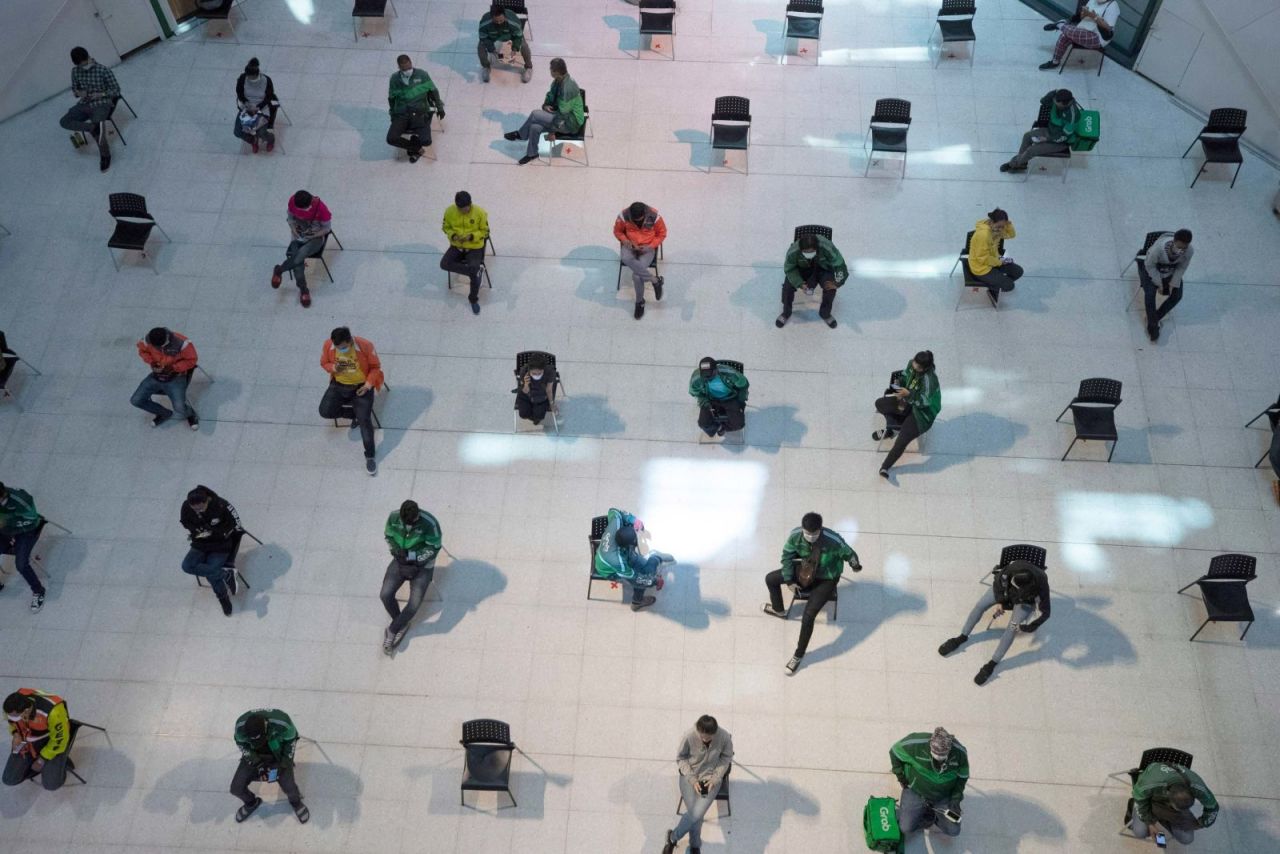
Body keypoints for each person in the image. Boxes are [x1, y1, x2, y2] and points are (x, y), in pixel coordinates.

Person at [761, 512, 861, 674]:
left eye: (814, 534)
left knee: (808, 616)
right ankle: (779, 610)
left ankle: (798, 655)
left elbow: (850, 554)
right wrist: (789, 580)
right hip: (805, 570)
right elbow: (787, 556)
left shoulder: (833, 540)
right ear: (802, 529)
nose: (810, 536)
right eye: (807, 533)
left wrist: (855, 565)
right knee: (770, 579)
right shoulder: (795, 536)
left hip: (826, 578)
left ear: (820, 530)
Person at [938, 559, 1051, 685]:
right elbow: (998, 582)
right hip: (1005, 591)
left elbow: (1045, 613)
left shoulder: (1042, 586)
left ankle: (993, 662)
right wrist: (1000, 601)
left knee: (1012, 628)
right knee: (980, 605)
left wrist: (1026, 627)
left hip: (1024, 602)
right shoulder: (1013, 568)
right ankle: (962, 636)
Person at [663, 715, 734, 854]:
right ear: (698, 730)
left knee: (696, 813)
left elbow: (726, 758)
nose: (705, 740)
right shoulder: (689, 735)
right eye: (703, 737)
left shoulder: (724, 736)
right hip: (689, 777)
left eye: (709, 738)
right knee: (696, 815)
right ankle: (695, 846)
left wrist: (715, 778)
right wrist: (692, 779)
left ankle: (673, 837)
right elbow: (681, 758)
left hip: (711, 780)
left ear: (715, 732)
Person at [318, 327, 384, 475]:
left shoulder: (365, 345)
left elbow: (376, 368)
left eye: (342, 348)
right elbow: (324, 363)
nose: (339, 350)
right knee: (325, 411)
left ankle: (370, 456)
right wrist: (333, 367)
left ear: (350, 341)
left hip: (361, 386)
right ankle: (354, 414)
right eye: (337, 347)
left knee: (366, 423)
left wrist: (367, 386)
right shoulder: (329, 345)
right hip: (339, 385)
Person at [381, 500, 442, 654]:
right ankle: (401, 623)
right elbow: (388, 536)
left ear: (418, 515)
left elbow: (434, 548)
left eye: (412, 521)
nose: (409, 525)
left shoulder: (430, 524)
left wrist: (412, 556)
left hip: (422, 564)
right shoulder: (394, 517)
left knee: (414, 604)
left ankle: (392, 630)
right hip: (401, 560)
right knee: (385, 594)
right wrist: (397, 552)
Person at [231, 709, 308, 824]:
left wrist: (284, 765)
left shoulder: (283, 723)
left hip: (278, 754)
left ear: (266, 726)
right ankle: (251, 802)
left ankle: (295, 802)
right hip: (254, 755)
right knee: (236, 788)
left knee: (289, 785)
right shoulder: (240, 729)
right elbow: (243, 746)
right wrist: (258, 764)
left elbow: (291, 743)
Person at [503, 57, 584, 165]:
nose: (549, 71)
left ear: (556, 72)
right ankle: (532, 154)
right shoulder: (558, 81)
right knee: (534, 127)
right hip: (561, 114)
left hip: (571, 122)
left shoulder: (567, 88)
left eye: (551, 69)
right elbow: (550, 95)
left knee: (535, 114)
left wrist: (553, 131)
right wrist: (545, 105)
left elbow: (563, 115)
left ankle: (521, 135)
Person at [890, 727, 968, 838]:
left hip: (943, 795)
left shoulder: (960, 753)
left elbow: (962, 778)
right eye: (936, 753)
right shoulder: (914, 744)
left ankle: (933, 816)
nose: (939, 757)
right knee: (906, 828)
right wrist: (900, 776)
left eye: (943, 755)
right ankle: (922, 815)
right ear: (930, 744)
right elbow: (894, 751)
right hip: (916, 790)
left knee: (953, 830)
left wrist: (956, 800)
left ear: (949, 749)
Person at [593, 508, 675, 612]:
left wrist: (633, 520)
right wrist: (654, 581)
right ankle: (637, 602)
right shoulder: (618, 561)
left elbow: (613, 510)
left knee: (642, 568)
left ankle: (654, 559)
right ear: (625, 546)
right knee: (644, 577)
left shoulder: (616, 522)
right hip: (611, 571)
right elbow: (636, 578)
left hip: (607, 554)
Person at [180, 486, 243, 617]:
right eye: (195, 509)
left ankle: (222, 597)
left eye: (201, 508)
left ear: (207, 500)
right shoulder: (186, 506)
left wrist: (217, 532)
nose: (198, 510)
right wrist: (196, 530)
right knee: (186, 566)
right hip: (200, 543)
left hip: (220, 544)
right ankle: (226, 575)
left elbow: (236, 524)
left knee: (210, 573)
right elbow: (185, 521)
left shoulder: (221, 505)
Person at [59, 47, 119, 172]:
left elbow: (116, 90)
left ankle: (105, 155)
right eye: (79, 65)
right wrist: (78, 93)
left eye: (84, 63)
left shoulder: (103, 70)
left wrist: (101, 94)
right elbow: (75, 89)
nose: (83, 66)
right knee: (64, 121)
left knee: (98, 126)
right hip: (85, 102)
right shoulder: (75, 71)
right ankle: (92, 128)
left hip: (102, 103)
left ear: (88, 58)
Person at [1129, 760, 1218, 845]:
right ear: (1168, 795)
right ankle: (1150, 816)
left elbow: (1213, 807)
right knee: (1140, 832)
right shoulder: (1150, 784)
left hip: (1169, 808)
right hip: (1150, 801)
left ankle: (1163, 820)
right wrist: (1150, 823)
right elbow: (1139, 798)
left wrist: (1202, 823)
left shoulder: (1197, 786)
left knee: (1187, 838)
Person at [271, 190, 332, 308]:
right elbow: (290, 219)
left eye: (305, 209)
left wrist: (312, 235)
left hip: (315, 239)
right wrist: (293, 229)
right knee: (298, 266)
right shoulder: (293, 202)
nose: (303, 212)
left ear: (311, 201)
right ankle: (303, 289)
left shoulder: (322, 209)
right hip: (297, 238)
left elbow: (327, 229)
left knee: (301, 254)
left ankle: (280, 269)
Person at [130, 327, 199, 429]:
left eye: (161, 346)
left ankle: (190, 414)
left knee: (179, 408)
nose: (158, 349)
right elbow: (142, 351)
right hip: (156, 376)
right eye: (155, 347)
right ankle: (164, 413)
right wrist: (152, 361)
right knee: (136, 400)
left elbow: (192, 360)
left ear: (167, 339)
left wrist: (173, 368)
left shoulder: (182, 343)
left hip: (177, 376)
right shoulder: (147, 340)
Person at [3, 689, 71, 790]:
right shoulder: (12, 707)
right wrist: (16, 734)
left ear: (26, 711)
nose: (11, 718)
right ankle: (37, 762)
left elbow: (59, 740)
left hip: (53, 742)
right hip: (27, 739)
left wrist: (42, 759)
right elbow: (12, 723)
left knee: (51, 785)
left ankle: (59, 763)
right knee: (9, 779)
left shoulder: (53, 712)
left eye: (16, 717)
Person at [777, 232, 847, 329]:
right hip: (802, 268)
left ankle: (825, 314)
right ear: (801, 249)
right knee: (787, 287)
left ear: (817, 248)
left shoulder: (827, 247)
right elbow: (790, 269)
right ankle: (786, 313)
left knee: (830, 289)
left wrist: (837, 282)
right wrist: (799, 283)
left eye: (812, 251)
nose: (809, 254)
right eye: (805, 251)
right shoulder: (793, 252)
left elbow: (840, 264)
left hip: (823, 268)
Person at [1000, 89, 1080, 174]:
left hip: (1060, 142)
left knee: (1032, 150)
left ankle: (1013, 164)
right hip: (1051, 131)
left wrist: (1046, 139)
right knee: (1027, 136)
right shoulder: (1057, 100)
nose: (1054, 103)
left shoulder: (1072, 117)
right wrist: (1053, 93)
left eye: (1057, 103)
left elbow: (1064, 137)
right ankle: (1021, 163)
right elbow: (1043, 101)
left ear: (1065, 104)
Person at [613, 201, 667, 319]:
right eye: (634, 220)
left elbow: (662, 234)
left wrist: (650, 246)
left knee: (637, 276)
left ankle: (639, 302)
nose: (637, 222)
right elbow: (617, 231)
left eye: (639, 220)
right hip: (630, 246)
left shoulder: (655, 217)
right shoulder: (623, 216)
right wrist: (625, 240)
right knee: (625, 257)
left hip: (647, 248)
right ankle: (655, 281)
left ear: (645, 214)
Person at [440, 191, 490, 315]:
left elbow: (486, 232)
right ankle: (475, 272)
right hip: (457, 245)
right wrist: (454, 235)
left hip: (474, 247)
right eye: (460, 209)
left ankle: (473, 299)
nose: (463, 211)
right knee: (444, 264)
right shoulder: (449, 211)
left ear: (470, 204)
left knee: (473, 267)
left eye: (466, 208)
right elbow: (445, 227)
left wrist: (472, 236)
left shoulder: (480, 213)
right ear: (456, 206)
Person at [387, 54, 444, 163]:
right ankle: (416, 149)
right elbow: (391, 98)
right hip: (401, 114)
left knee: (426, 141)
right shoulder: (394, 79)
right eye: (404, 69)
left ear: (411, 63)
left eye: (409, 67)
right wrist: (392, 113)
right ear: (399, 67)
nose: (408, 70)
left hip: (419, 113)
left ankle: (413, 147)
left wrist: (439, 107)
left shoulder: (422, 75)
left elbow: (434, 91)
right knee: (391, 138)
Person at [1139, 229, 1193, 342]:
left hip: (1170, 272)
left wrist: (1173, 283)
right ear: (1174, 241)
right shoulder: (1158, 249)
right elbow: (1150, 266)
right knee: (1150, 294)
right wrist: (1160, 285)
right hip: (1150, 270)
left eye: (1184, 248)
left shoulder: (1189, 251)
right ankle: (1153, 327)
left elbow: (1181, 267)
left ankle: (1154, 318)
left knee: (1177, 295)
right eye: (1179, 247)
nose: (1181, 251)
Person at [0, 482, 46, 612]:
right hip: (5, 529)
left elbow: (31, 520)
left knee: (21, 564)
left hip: (27, 530)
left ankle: (38, 590)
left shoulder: (21, 500)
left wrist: (7, 524)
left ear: (3, 495)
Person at [1039, 0, 1120, 71]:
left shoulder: (1113, 6)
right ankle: (1055, 62)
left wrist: (1094, 17)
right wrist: (1084, 13)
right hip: (1084, 28)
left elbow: (1108, 28)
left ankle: (1060, 25)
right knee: (1064, 36)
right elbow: (1082, 17)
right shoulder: (1093, 0)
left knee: (1069, 32)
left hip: (1098, 37)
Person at [965, 208, 1021, 306]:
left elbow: (1011, 235)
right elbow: (982, 258)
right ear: (991, 222)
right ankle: (991, 287)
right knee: (1009, 286)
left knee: (1018, 271)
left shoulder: (996, 229)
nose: (1001, 229)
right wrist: (1000, 262)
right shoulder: (983, 235)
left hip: (994, 260)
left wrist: (1008, 224)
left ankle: (997, 283)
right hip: (981, 268)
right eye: (999, 226)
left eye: (1003, 226)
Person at [689, 357, 748, 437]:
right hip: (710, 399)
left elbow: (744, 384)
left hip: (730, 398)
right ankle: (718, 427)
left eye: (710, 374)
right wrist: (704, 401)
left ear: (716, 369)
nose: (708, 378)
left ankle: (724, 427)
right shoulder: (696, 378)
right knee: (703, 424)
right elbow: (695, 392)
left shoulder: (729, 373)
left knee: (738, 425)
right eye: (705, 375)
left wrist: (741, 401)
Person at [479, 6, 532, 83]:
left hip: (510, 35)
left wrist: (514, 48)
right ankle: (486, 67)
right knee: (480, 47)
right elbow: (483, 38)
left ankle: (529, 67)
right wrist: (492, 49)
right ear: (491, 17)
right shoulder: (484, 23)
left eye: (501, 20)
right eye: (496, 21)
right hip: (493, 36)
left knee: (524, 46)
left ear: (505, 16)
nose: (499, 23)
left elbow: (518, 36)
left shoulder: (514, 23)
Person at [236, 57, 278, 131]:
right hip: (247, 107)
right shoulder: (243, 78)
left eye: (250, 76)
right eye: (247, 75)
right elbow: (239, 92)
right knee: (238, 132)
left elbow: (269, 96)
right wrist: (246, 103)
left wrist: (258, 107)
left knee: (260, 131)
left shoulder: (266, 80)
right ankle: (253, 140)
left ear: (256, 74)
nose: (248, 78)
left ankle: (269, 139)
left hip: (262, 108)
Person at [515, 353, 554, 425]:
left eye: (539, 373)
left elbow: (549, 389)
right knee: (523, 414)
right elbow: (525, 391)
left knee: (539, 416)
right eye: (534, 373)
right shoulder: (524, 371)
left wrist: (552, 404)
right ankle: (533, 415)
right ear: (530, 370)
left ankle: (536, 417)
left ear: (543, 369)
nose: (537, 375)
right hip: (527, 395)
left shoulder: (549, 371)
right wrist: (526, 384)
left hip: (541, 396)